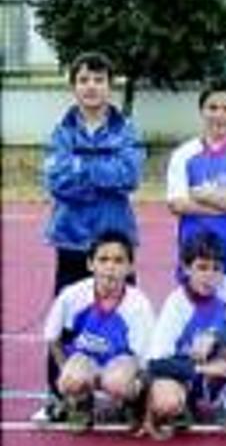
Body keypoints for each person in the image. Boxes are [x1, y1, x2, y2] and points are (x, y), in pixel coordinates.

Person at [42, 51, 145, 402]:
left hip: (116, 240)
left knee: (125, 317)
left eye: (98, 80)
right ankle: (61, 395)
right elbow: (57, 181)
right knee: (69, 318)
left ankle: (128, 391)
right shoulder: (61, 131)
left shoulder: (126, 129)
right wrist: (104, 171)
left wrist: (80, 167)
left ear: (110, 86)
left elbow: (129, 175)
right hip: (72, 239)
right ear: (73, 86)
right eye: (83, 80)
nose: (91, 86)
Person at [142, 230, 226, 440]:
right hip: (184, 371)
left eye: (217, 269)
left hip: (217, 369)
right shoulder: (176, 304)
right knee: (166, 402)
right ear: (187, 268)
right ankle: (182, 406)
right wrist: (202, 369)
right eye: (202, 267)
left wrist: (215, 337)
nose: (210, 275)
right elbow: (155, 363)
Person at [42, 230, 155, 431]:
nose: (110, 267)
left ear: (130, 267)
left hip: (121, 364)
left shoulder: (139, 304)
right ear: (90, 264)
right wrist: (66, 370)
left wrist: (134, 392)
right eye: (103, 259)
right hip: (87, 361)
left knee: (117, 382)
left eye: (118, 260)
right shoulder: (72, 295)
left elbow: (145, 360)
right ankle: (82, 404)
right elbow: (53, 337)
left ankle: (128, 404)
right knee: (70, 379)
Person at [166, 78, 226, 297]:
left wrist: (205, 195)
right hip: (196, 249)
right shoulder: (184, 154)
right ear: (202, 111)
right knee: (196, 320)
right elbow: (178, 203)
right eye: (213, 107)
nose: (220, 115)